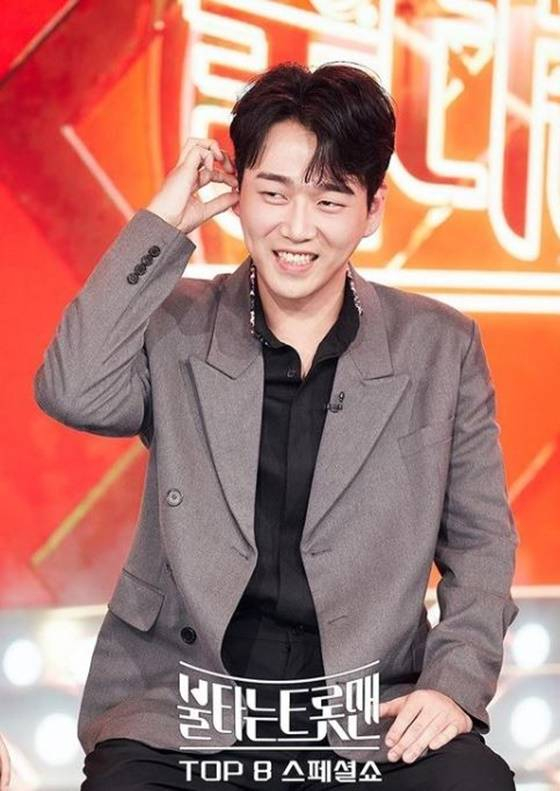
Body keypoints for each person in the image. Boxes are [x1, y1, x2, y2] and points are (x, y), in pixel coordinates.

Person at [31, 62, 519, 789]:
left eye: (329, 199)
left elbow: (481, 543)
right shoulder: (178, 325)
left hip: (367, 710)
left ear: (372, 208)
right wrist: (161, 223)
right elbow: (71, 390)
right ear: (237, 195)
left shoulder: (439, 347)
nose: (296, 228)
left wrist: (452, 685)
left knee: (474, 783)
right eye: (273, 192)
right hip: (185, 706)